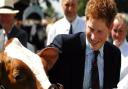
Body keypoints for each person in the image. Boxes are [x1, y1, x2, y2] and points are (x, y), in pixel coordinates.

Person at [47, 0, 121, 89]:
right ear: (86, 21)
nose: (93, 37)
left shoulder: (114, 55)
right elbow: (40, 66)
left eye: (100, 31)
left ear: (111, 27)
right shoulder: (64, 45)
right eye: (91, 29)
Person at [110, 13, 128, 88]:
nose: (117, 34)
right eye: (115, 30)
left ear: (126, 31)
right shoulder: (104, 49)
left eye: (120, 31)